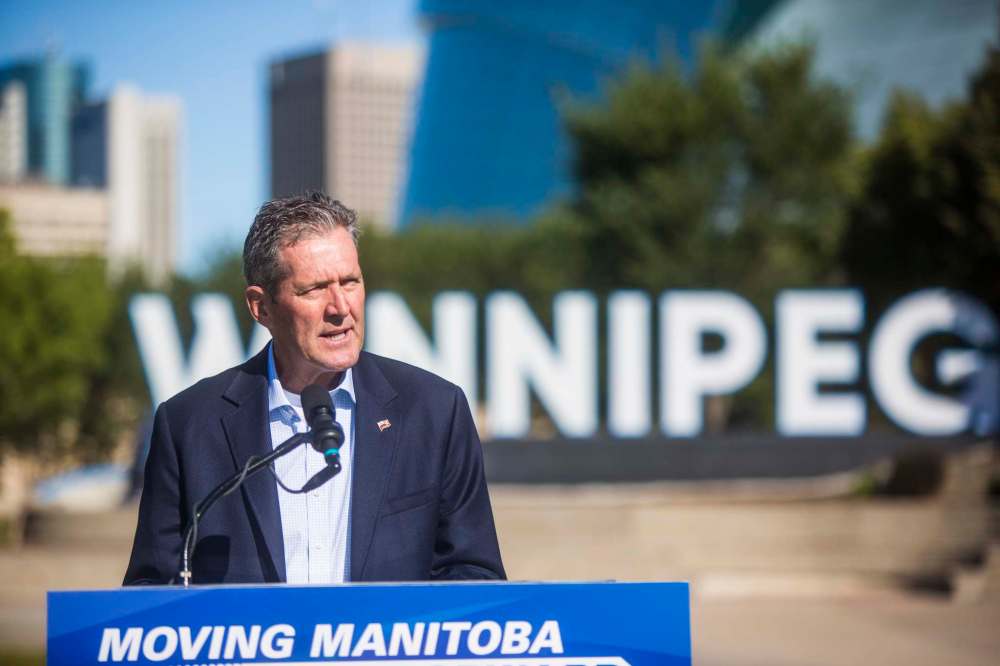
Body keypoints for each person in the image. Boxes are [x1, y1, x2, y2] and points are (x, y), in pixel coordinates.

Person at [124, 192, 505, 584]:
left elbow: (475, 576)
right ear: (261, 307)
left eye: (350, 282)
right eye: (314, 289)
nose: (340, 307)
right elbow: (150, 590)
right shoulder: (188, 425)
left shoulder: (434, 411)